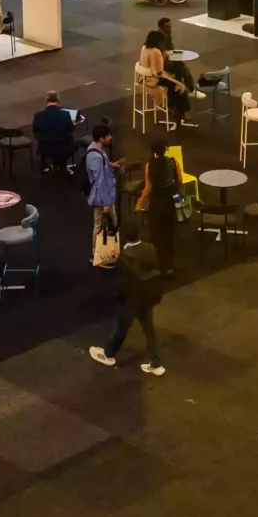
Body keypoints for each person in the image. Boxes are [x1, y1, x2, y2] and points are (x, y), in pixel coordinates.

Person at [89, 230, 166, 375]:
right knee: (149, 330)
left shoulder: (125, 257)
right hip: (148, 296)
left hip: (131, 300)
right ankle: (156, 363)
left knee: (121, 328)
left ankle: (108, 355)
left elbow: (122, 283)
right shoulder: (150, 248)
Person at [136, 137, 181, 276]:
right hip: (170, 202)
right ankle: (169, 266)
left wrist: (139, 202)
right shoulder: (173, 162)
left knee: (156, 235)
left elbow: (148, 188)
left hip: (156, 203)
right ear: (166, 148)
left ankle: (157, 266)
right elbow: (179, 180)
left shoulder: (150, 165)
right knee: (169, 234)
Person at [139, 34, 189, 127]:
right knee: (178, 85)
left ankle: (177, 109)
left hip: (143, 77)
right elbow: (159, 72)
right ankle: (178, 111)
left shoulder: (144, 48)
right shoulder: (155, 52)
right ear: (159, 42)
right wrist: (176, 81)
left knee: (176, 75)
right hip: (152, 79)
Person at [84, 119, 119, 234]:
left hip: (107, 195)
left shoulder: (97, 149)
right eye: (108, 136)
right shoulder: (96, 156)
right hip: (101, 198)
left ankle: (114, 246)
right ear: (101, 139)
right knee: (98, 227)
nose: (110, 138)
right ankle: (97, 251)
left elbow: (101, 167)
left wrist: (111, 164)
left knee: (114, 222)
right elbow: (99, 181)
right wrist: (106, 203)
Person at [32, 91, 76, 174]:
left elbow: (35, 131)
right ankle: (62, 164)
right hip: (63, 147)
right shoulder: (65, 114)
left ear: (46, 100)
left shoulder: (38, 115)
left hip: (45, 147)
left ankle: (50, 164)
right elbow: (71, 129)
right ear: (58, 100)